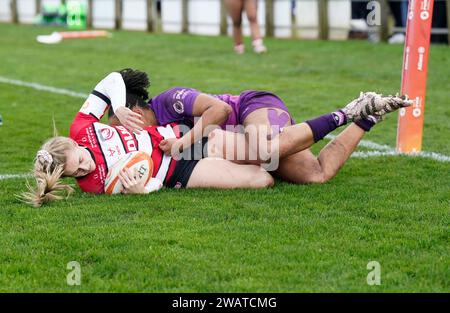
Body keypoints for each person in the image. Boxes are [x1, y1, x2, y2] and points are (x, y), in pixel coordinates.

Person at [107, 69, 411, 185]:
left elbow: (221, 109)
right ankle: (370, 116)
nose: (126, 132)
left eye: (122, 123)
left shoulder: (168, 101)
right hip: (247, 143)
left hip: (252, 108)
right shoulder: (151, 137)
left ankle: (347, 112)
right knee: (316, 175)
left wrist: (183, 144)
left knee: (266, 150)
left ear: (135, 110)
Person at [21, 70, 275, 208]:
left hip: (181, 137)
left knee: (269, 154)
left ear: (74, 143)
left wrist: (118, 107)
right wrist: (140, 191)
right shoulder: (92, 185)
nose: (85, 168)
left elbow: (112, 79)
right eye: (75, 173)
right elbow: (154, 183)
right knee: (262, 179)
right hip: (179, 171)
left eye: (80, 161)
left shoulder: (82, 127)